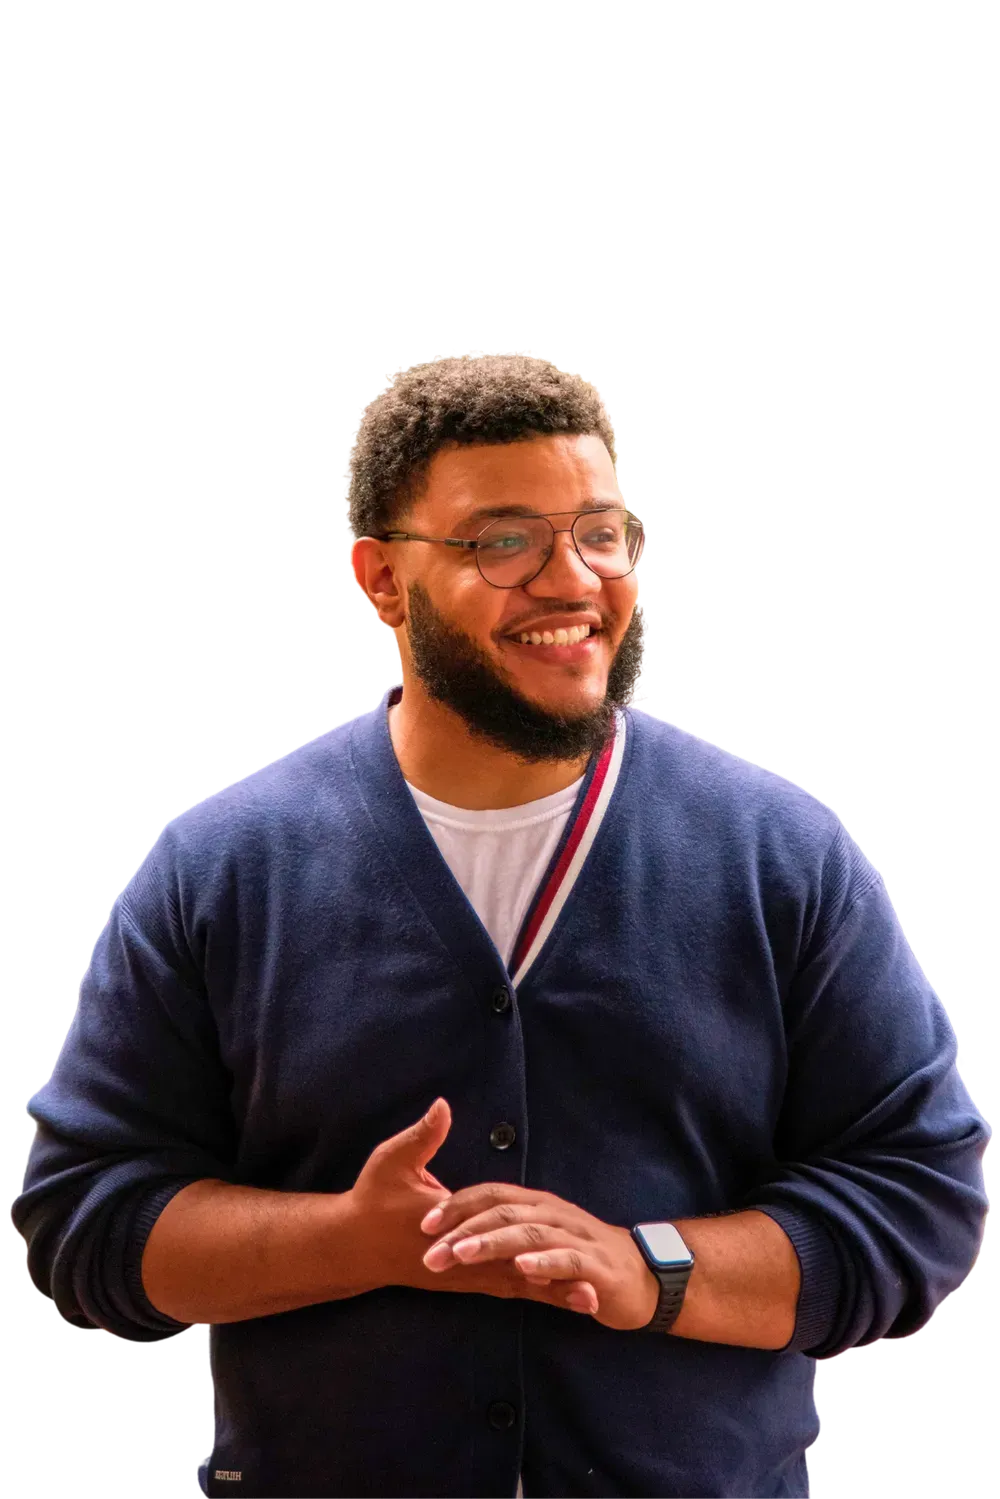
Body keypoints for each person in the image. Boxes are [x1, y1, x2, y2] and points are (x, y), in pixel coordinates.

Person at [12, 350, 991, 1498]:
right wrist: (351, 1239)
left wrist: (645, 1267)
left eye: (600, 532)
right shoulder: (218, 866)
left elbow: (919, 1194)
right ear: (382, 577)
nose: (572, 580)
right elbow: (87, 1221)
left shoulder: (784, 853)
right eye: (504, 540)